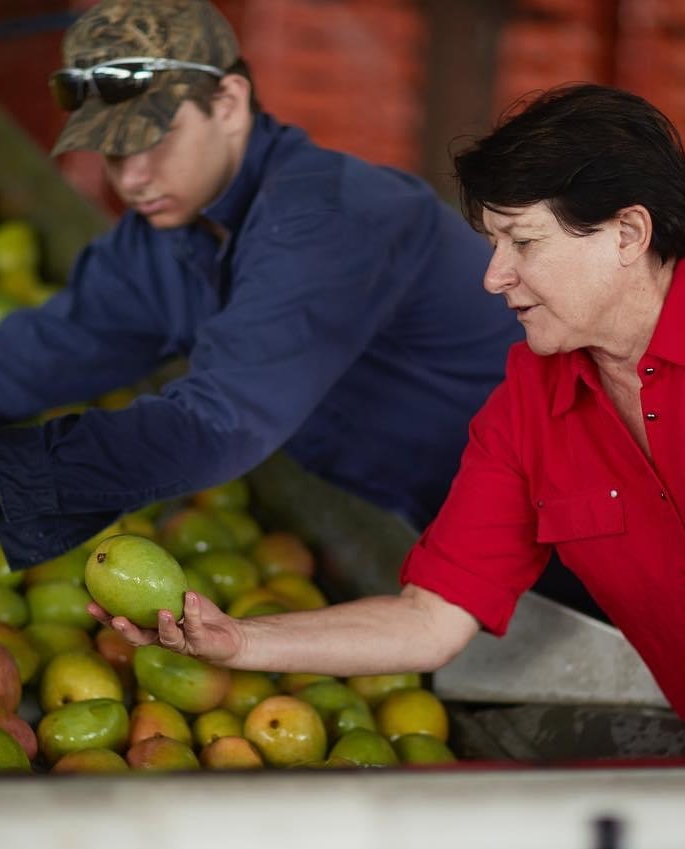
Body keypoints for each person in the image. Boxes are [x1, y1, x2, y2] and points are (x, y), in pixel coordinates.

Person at [93, 82, 685, 722]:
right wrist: (240, 641)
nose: (493, 277)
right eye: (491, 244)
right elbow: (431, 617)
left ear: (626, 233)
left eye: (524, 242)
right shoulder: (529, 403)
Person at [0, 0, 521, 572]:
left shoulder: (333, 216)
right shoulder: (159, 241)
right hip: (417, 531)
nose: (130, 178)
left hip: (549, 522)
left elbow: (213, 426)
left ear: (227, 104)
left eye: (154, 140)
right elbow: (28, 363)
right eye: (111, 151)